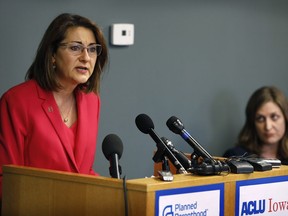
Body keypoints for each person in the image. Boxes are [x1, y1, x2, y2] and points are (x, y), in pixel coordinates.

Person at [0, 13, 108, 207]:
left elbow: (81, 172)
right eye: (75, 48)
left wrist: (112, 193)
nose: (86, 57)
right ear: (52, 56)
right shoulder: (17, 101)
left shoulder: (92, 101)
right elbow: (5, 178)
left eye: (92, 50)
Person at [223, 86, 288, 165]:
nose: (268, 127)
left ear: (285, 118)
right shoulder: (236, 156)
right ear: (252, 122)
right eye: (260, 119)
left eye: (274, 117)